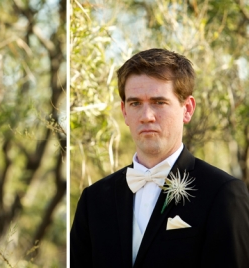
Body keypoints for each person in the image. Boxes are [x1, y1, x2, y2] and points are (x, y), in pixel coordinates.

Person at [70, 48, 249, 267]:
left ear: (187, 109)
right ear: (124, 111)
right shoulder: (93, 200)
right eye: (135, 103)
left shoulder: (223, 194)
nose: (146, 116)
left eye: (159, 102)